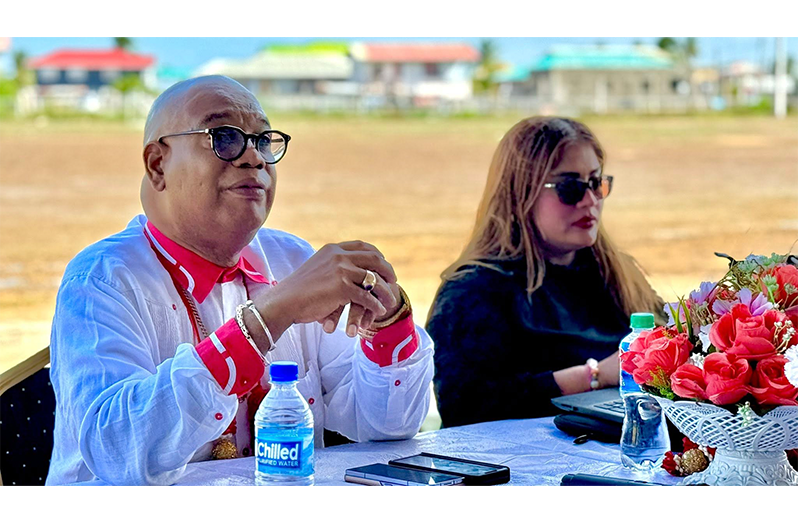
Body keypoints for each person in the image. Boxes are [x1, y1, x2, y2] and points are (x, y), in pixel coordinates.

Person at [46, 76, 434, 486]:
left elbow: (387, 426)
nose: (254, 158)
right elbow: (120, 449)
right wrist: (269, 317)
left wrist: (387, 321)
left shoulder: (291, 259)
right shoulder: (103, 278)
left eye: (263, 141)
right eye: (225, 137)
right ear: (158, 165)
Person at [427, 117, 664, 428]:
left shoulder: (617, 273)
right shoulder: (473, 291)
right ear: (520, 194)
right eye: (570, 188)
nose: (590, 201)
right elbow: (466, 407)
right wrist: (594, 376)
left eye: (596, 183)